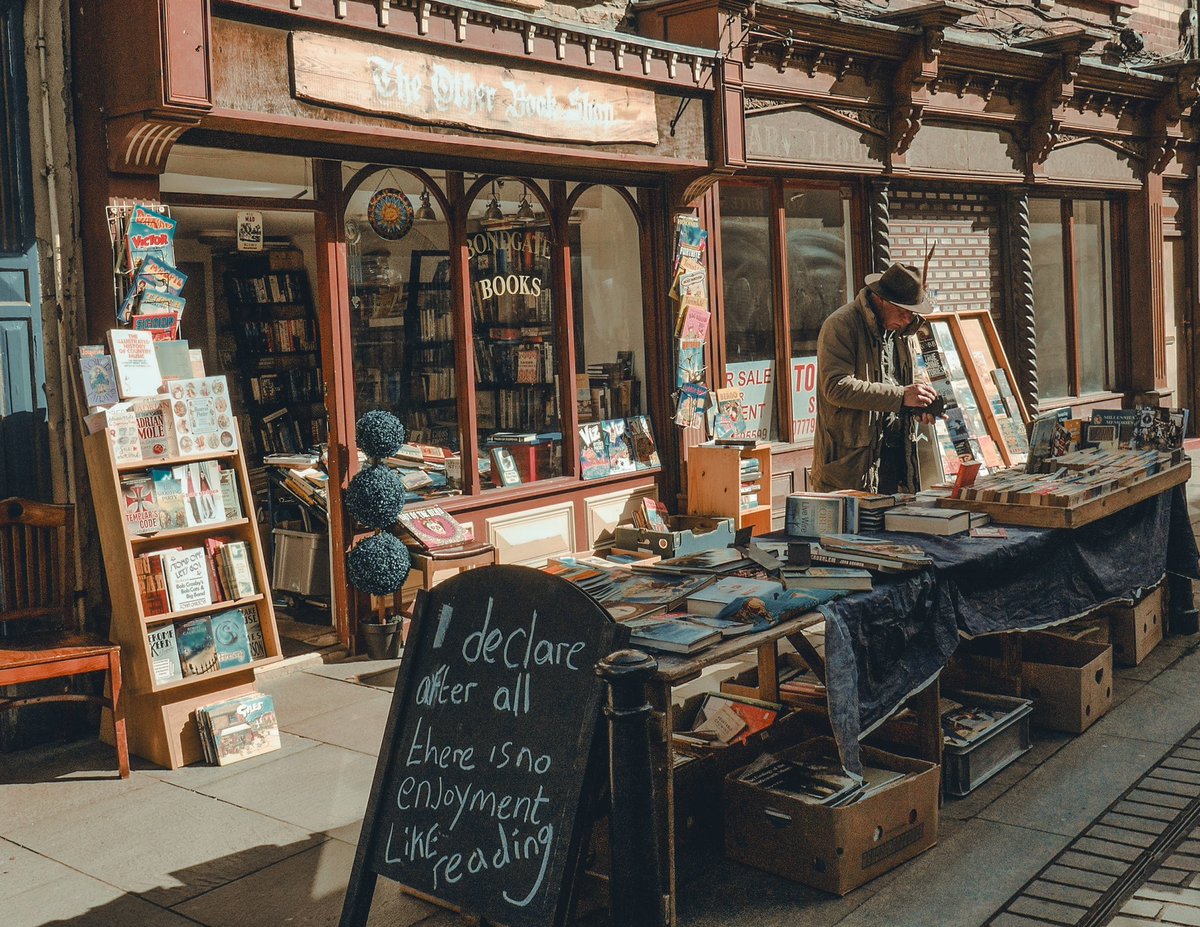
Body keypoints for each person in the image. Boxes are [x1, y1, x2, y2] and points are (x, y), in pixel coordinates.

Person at [811, 262, 939, 494]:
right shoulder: (841, 325)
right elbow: (836, 387)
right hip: (851, 465)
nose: (908, 319)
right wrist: (902, 396)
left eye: (912, 313)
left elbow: (909, 379)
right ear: (881, 300)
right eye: (903, 312)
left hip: (895, 459)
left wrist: (921, 403)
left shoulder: (903, 330)